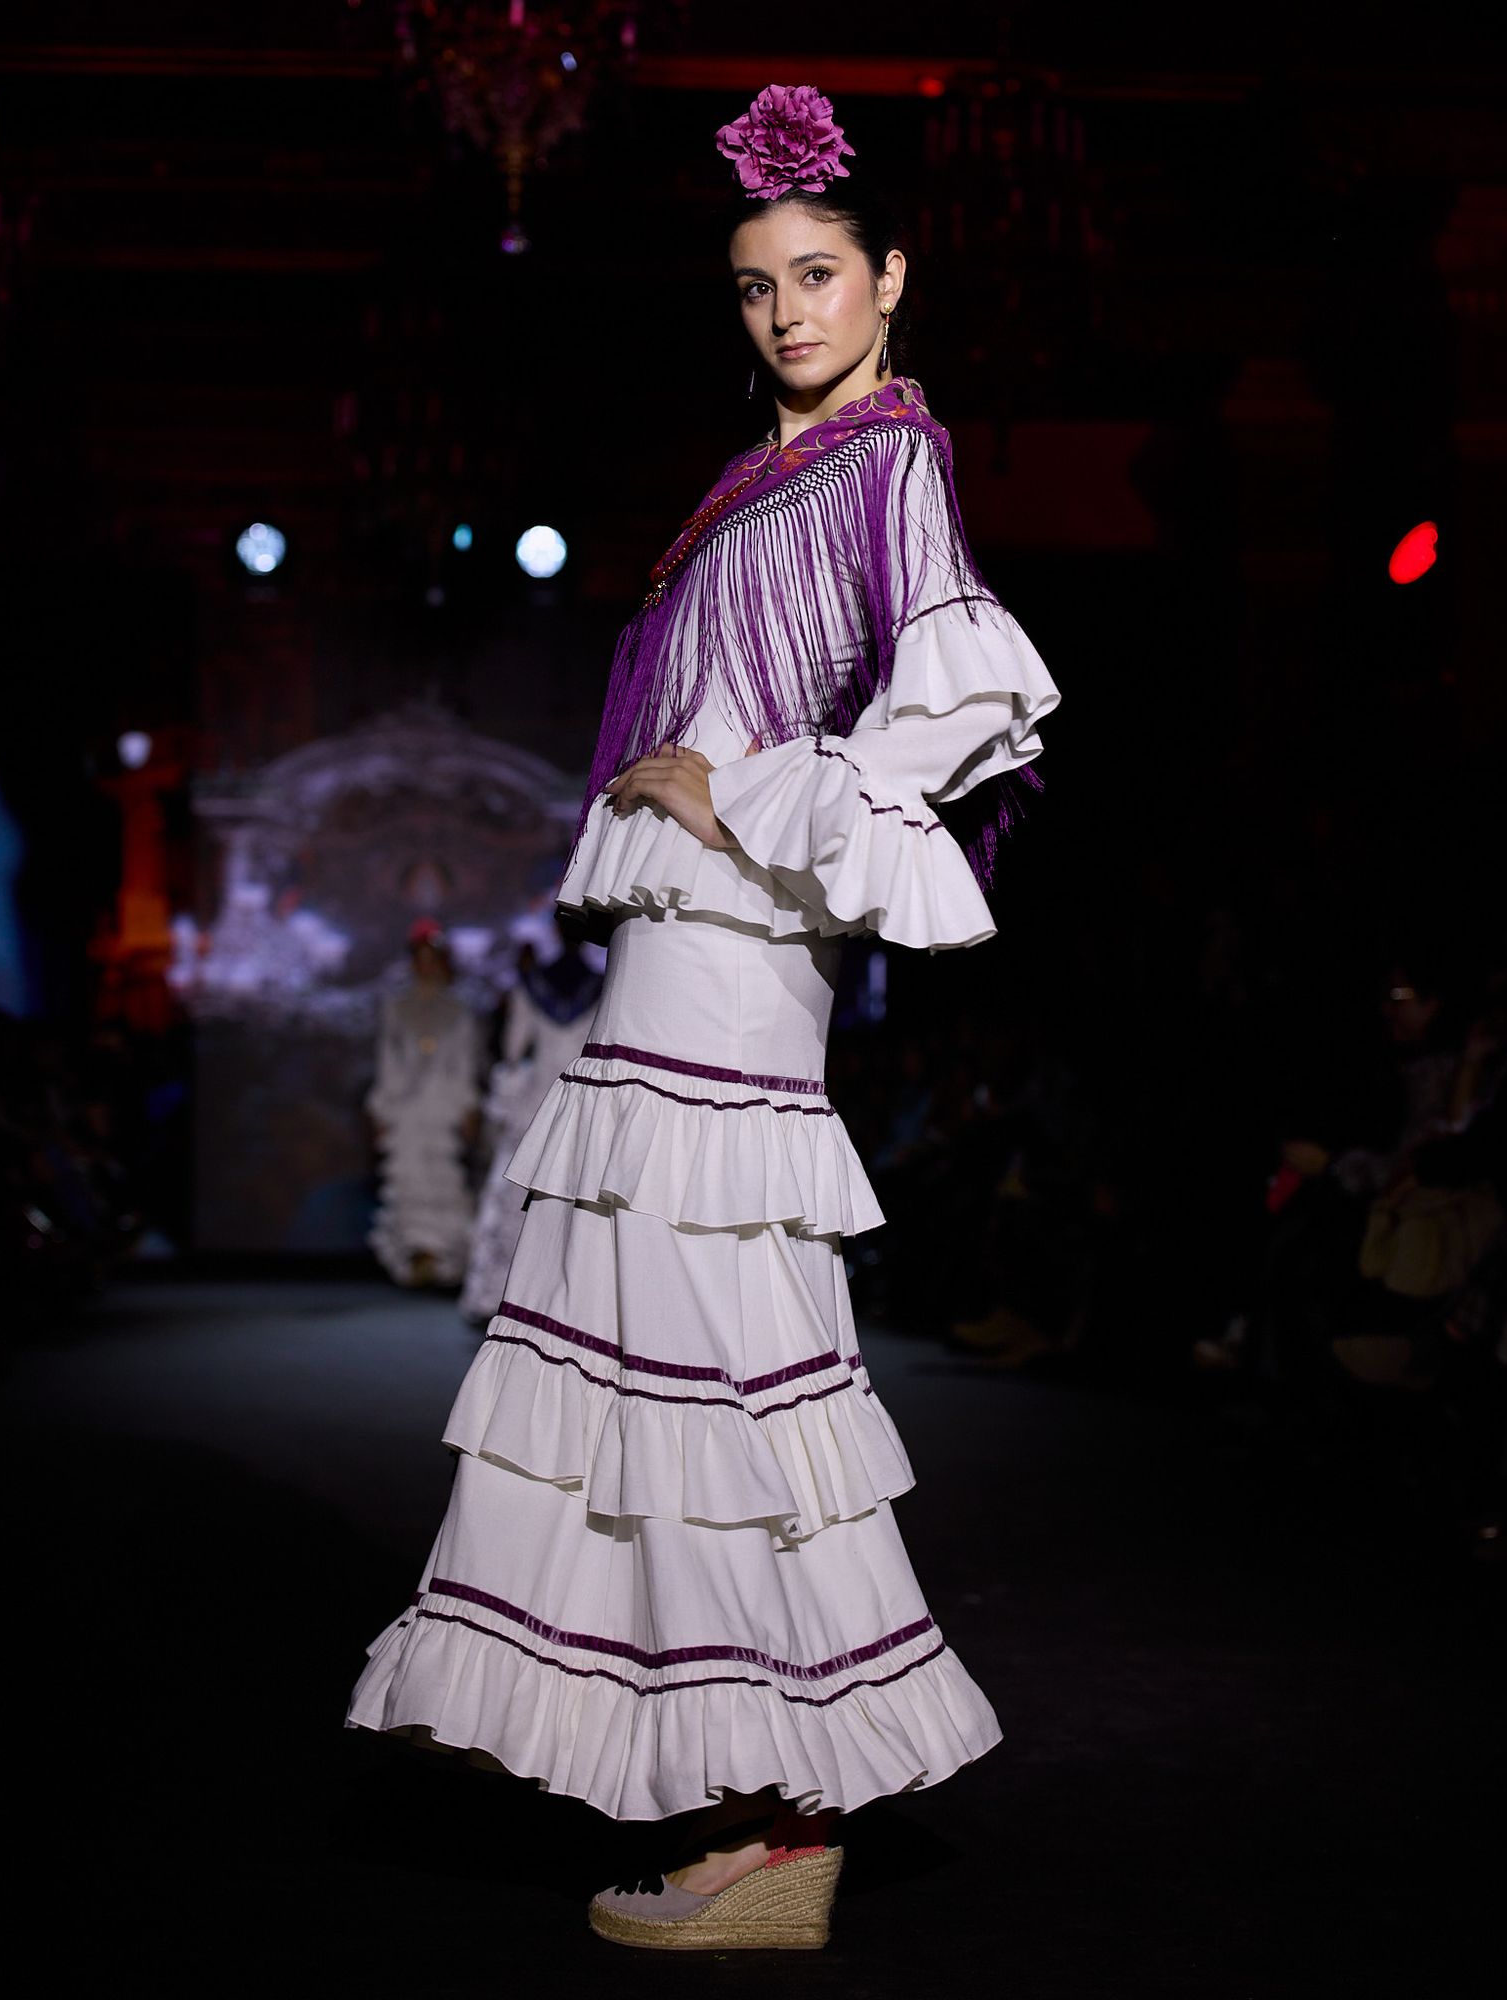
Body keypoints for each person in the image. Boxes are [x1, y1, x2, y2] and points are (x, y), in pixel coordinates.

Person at [346, 83, 1061, 1952]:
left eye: (820, 273)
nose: (788, 312)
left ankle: (790, 1814)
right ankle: (756, 1811)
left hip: (743, 944)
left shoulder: (894, 461)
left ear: (891, 278)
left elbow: (954, 704)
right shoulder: (768, 477)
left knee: (715, 1362)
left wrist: (737, 797)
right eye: (756, 286)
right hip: (693, 958)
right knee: (677, 1363)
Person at [459, 928, 604, 1327]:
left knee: (517, 1197)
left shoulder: (531, 984)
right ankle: (568, 1299)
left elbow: (512, 1049)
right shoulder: (602, 984)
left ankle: (505, 1294)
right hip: (582, 1100)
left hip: (536, 1100)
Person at [365, 918, 482, 1288]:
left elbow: (465, 1061)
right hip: (406, 1106)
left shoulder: (460, 1009)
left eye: (432, 957)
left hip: (444, 1104)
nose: (426, 964)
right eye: (420, 957)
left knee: (442, 1180)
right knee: (408, 1179)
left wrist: (467, 1107)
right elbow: (388, 1059)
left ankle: (442, 1257)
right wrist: (382, 1108)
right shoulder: (396, 1007)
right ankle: (415, 1253)